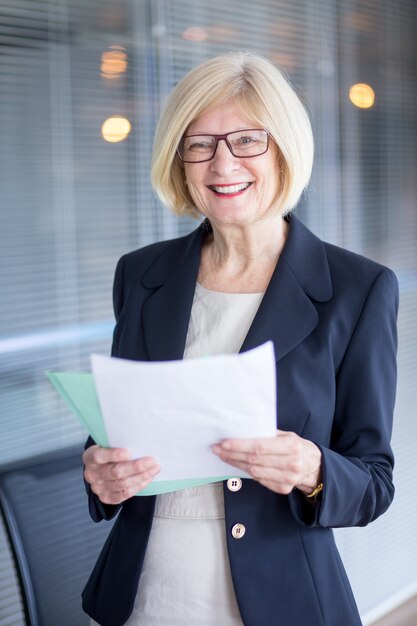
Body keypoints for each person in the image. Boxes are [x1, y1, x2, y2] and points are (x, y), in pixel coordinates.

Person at [82, 51, 398, 626]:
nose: (222, 163)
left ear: (284, 147)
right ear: (179, 162)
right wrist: (100, 474)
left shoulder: (360, 289)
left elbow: (374, 481)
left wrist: (312, 469)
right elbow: (115, 429)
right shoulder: (141, 274)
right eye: (199, 144)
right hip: (146, 597)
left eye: (248, 140)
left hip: (281, 601)